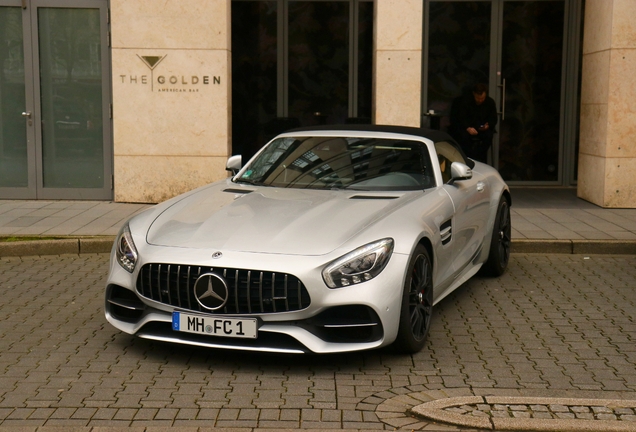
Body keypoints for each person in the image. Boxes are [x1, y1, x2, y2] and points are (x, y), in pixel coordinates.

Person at [452, 83, 498, 163]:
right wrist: (468, 127)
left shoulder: (489, 102)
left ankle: (479, 157)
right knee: (462, 137)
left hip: (483, 129)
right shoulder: (466, 102)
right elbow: (460, 117)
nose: (480, 100)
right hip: (468, 128)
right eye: (478, 98)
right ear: (474, 94)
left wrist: (488, 125)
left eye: (482, 98)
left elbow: (493, 118)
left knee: (489, 136)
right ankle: (468, 158)